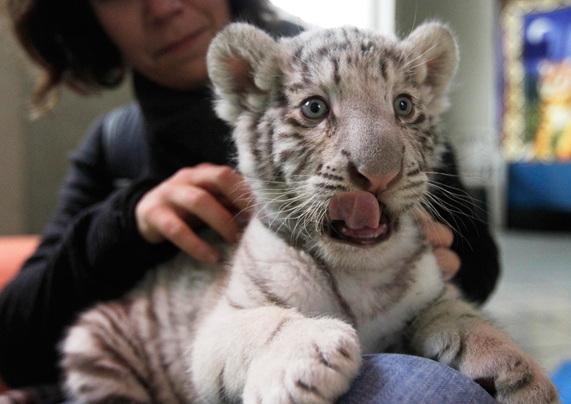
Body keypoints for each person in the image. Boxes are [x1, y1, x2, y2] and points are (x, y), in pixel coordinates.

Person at [0, 0, 500, 402]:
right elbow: (15, 339)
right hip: (192, 367)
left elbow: (480, 259)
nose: (164, 7)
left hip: (367, 342)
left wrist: (426, 262)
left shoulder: (363, 70)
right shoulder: (113, 146)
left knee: (429, 388)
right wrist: (126, 224)